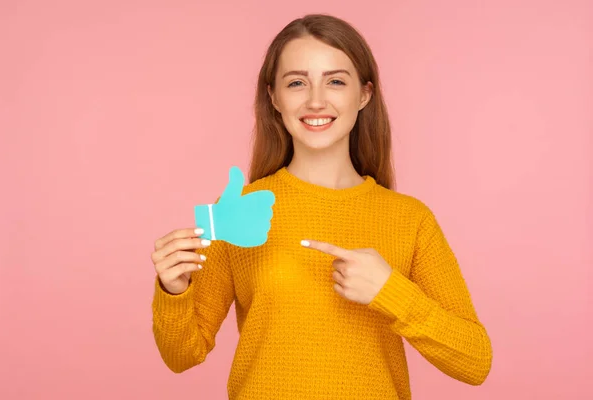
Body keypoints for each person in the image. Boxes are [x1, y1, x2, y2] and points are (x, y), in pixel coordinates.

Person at [150, 13, 492, 400]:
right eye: (297, 82)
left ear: (363, 94)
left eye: (335, 81)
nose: (315, 100)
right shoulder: (239, 209)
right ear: (273, 97)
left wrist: (389, 291)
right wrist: (173, 288)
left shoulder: (410, 219)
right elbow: (182, 355)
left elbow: (475, 361)